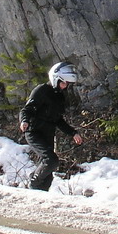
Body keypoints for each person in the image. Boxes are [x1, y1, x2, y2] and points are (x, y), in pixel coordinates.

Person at [19, 61, 83, 191]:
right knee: (51, 160)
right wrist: (24, 121)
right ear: (55, 79)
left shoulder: (59, 96)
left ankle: (39, 195)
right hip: (34, 132)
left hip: (48, 134)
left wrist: (73, 133)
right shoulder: (41, 90)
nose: (65, 86)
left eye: (67, 84)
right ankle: (33, 182)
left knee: (48, 176)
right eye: (64, 83)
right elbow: (26, 110)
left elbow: (58, 120)